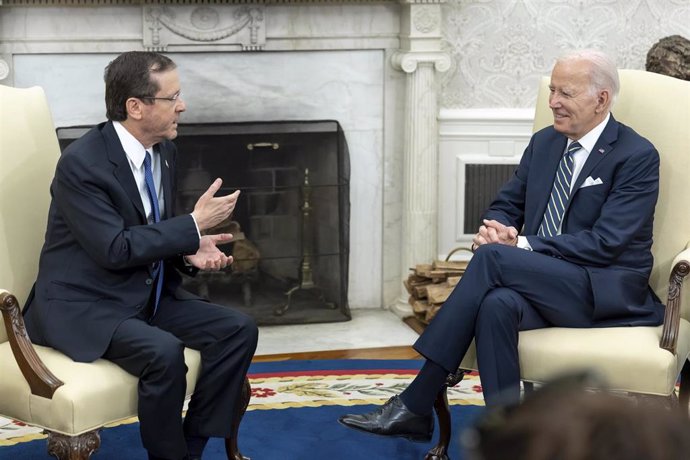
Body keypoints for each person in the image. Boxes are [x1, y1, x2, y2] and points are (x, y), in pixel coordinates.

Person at [339, 49, 665, 442]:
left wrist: (520, 245)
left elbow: (607, 243)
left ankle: (417, 399)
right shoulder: (545, 143)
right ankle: (511, 438)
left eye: (566, 93)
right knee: (497, 305)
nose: (553, 102)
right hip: (549, 281)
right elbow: (507, 203)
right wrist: (500, 229)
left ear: (601, 100)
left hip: (604, 288)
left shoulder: (636, 155)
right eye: (552, 90)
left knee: (495, 260)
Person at [23, 51, 258, 460]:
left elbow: (153, 232)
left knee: (237, 329)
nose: (182, 105)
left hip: (141, 292)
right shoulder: (82, 164)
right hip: (84, 303)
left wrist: (191, 250)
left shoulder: (163, 151)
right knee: (163, 353)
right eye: (173, 97)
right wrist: (192, 225)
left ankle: (191, 448)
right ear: (136, 106)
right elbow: (115, 248)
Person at [463, 372, 690, 460]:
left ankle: (429, 387)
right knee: (497, 304)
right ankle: (506, 419)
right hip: (559, 278)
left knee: (492, 266)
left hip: (610, 283)